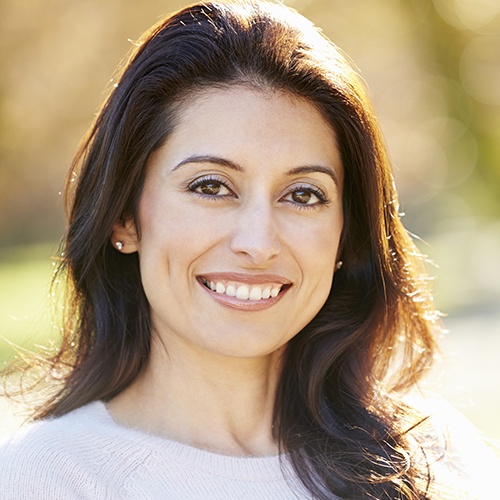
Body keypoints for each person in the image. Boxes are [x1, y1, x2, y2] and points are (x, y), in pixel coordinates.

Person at [0, 1, 496, 498]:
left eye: (303, 195)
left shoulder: (434, 458)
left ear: (347, 233)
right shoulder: (52, 477)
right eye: (211, 187)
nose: (258, 244)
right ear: (124, 217)